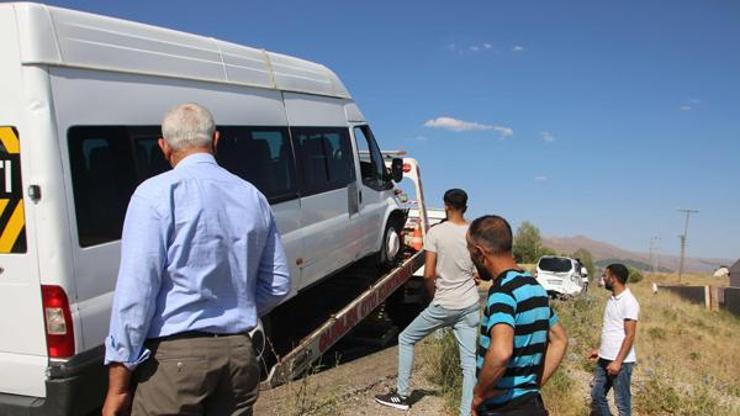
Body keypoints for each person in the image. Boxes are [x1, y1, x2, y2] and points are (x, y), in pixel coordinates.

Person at [102, 103, 291, 416]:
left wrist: (119, 386)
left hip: (175, 361)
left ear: (164, 147)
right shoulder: (252, 195)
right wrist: (234, 308)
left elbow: (136, 294)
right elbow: (278, 283)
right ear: (215, 140)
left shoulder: (154, 195)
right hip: (239, 356)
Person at [375, 189, 481, 416]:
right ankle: (466, 412)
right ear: (466, 207)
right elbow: (478, 270)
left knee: (406, 338)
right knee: (469, 363)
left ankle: (402, 395)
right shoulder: (474, 233)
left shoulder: (436, 233)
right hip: (470, 304)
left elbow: (428, 273)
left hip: (445, 303)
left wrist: (434, 298)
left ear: (445, 205)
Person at [467, 215, 568, 416]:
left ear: (479, 253)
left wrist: (478, 396)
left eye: (470, 253)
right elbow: (560, 340)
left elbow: (501, 352)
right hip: (531, 406)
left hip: (503, 409)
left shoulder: (503, 292)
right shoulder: (534, 287)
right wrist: (531, 387)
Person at [588, 264, 639, 416]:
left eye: (605, 276)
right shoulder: (612, 299)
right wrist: (600, 350)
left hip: (621, 362)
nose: (603, 279)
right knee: (597, 395)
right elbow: (612, 330)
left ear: (614, 278)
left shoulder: (629, 302)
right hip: (605, 358)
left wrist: (618, 362)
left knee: (622, 404)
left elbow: (630, 335)